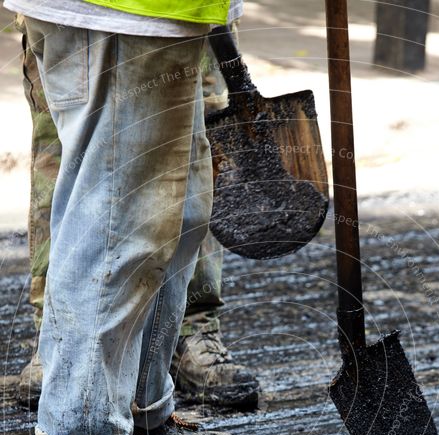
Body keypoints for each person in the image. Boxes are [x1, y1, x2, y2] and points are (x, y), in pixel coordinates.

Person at [6, 0, 250, 435]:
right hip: (115, 11)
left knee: (176, 214)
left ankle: (139, 416)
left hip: (164, 12)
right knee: (118, 222)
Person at [17, 15, 260, 412]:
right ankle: (59, 338)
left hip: (192, 13)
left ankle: (187, 329)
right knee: (69, 160)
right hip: (71, 13)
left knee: (194, 153)